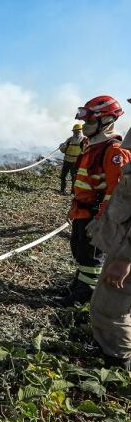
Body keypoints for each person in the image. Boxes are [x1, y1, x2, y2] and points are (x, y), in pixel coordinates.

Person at [63, 96, 131, 306]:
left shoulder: (113, 152)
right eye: (85, 122)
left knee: (91, 258)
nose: (85, 126)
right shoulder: (91, 145)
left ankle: (85, 294)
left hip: (95, 216)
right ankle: (78, 284)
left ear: (108, 120)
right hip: (82, 212)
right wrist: (74, 209)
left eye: (90, 122)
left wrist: (101, 220)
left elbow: (116, 193)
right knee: (80, 250)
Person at [86, 119, 131, 370]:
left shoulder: (115, 151)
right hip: (122, 241)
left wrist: (126, 258)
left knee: (109, 309)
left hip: (127, 251)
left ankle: (117, 364)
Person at [58, 123, 85, 194]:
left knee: (74, 178)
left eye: (78, 131)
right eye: (75, 131)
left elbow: (86, 151)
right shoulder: (69, 140)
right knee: (63, 176)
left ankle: (73, 192)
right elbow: (63, 150)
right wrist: (61, 146)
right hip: (67, 161)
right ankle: (63, 190)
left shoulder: (84, 140)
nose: (76, 133)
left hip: (76, 162)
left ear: (81, 131)